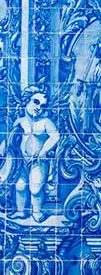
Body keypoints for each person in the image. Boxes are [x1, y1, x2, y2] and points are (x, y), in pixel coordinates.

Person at [8, 86, 59, 223]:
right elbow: (12, 139)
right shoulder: (19, 122)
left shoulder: (46, 122)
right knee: (20, 186)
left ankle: (37, 212)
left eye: (43, 105)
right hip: (21, 162)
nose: (39, 107)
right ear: (27, 101)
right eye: (36, 102)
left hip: (39, 161)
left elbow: (55, 137)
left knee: (35, 188)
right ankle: (21, 212)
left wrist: (44, 150)